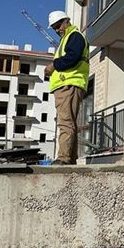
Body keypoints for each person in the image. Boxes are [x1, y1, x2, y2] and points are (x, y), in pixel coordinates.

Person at [44, 11, 90, 165]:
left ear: (66, 21)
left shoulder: (74, 36)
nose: (57, 30)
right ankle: (70, 158)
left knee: (65, 122)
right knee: (69, 122)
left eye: (58, 25)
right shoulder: (68, 38)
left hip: (68, 85)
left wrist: (53, 66)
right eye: (54, 28)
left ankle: (63, 158)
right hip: (67, 85)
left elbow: (73, 57)